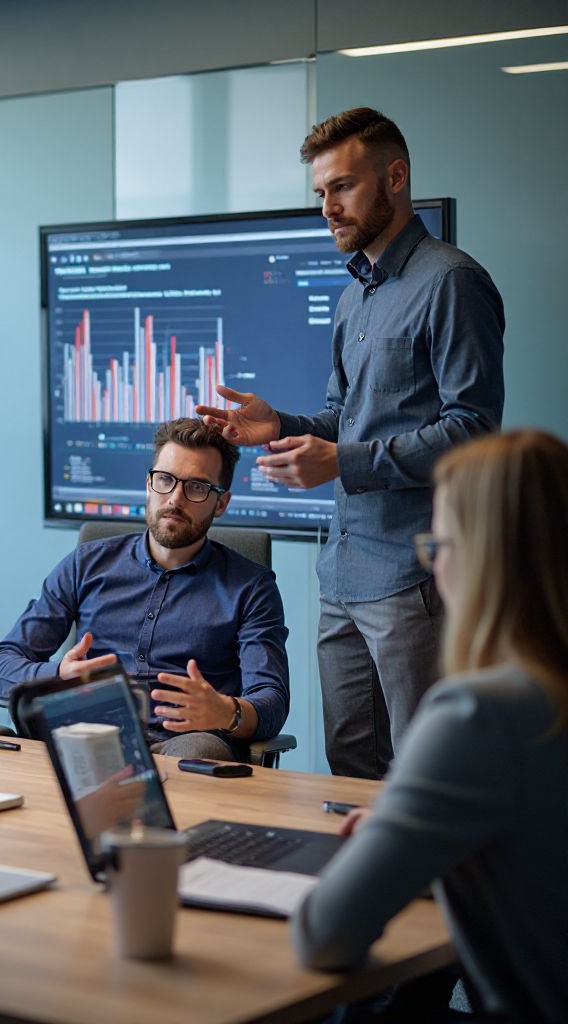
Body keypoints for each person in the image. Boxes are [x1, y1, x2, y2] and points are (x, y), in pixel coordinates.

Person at [197, 107, 504, 779]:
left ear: (395, 179)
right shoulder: (354, 297)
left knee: (428, 773)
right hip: (341, 575)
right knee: (352, 769)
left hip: (412, 578)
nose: (329, 208)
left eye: (343, 187)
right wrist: (280, 426)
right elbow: (346, 415)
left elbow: (476, 432)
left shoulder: (450, 282)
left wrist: (347, 463)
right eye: (321, 193)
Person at [292, 430, 568, 1023]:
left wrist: (391, 842)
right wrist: (429, 834)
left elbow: (325, 934)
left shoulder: (479, 714)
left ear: (480, 558)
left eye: (436, 546)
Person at [0, 417, 289, 761]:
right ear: (148, 484)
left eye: (197, 487)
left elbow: (272, 701)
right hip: (89, 741)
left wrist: (226, 711)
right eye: (165, 480)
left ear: (221, 503)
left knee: (198, 751)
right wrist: (58, 675)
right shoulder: (86, 564)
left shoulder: (251, 586)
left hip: (182, 745)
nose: (175, 499)